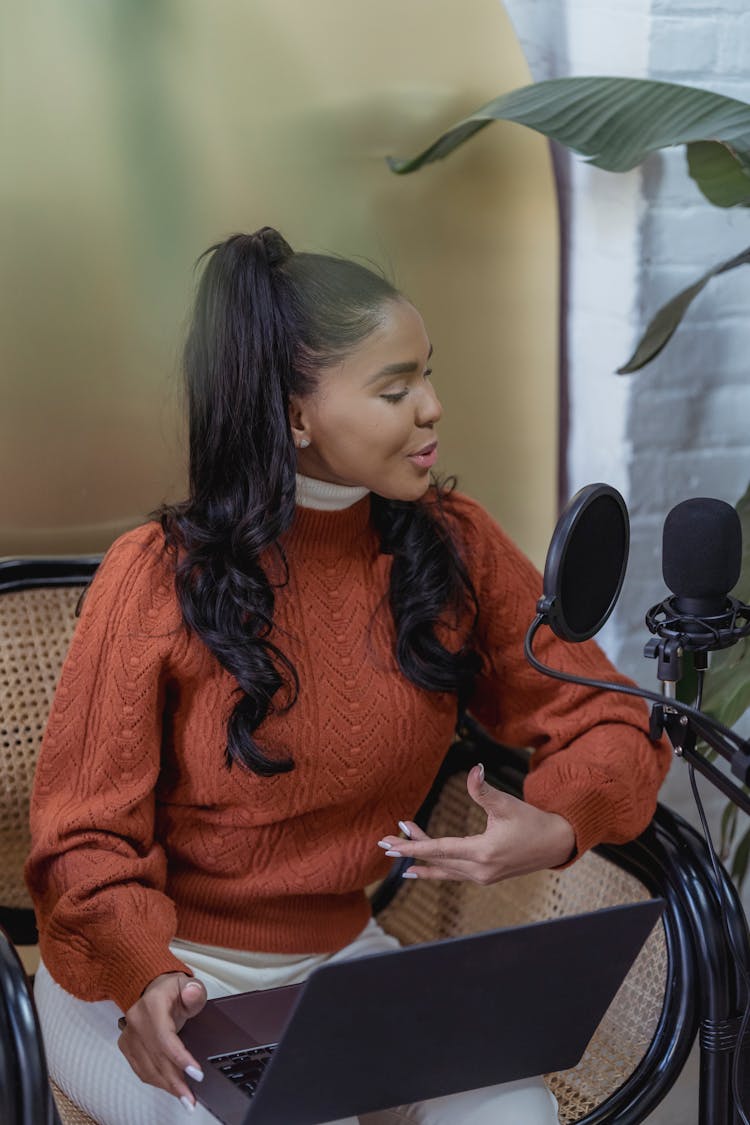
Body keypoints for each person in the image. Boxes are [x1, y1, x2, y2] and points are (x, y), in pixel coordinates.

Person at [26, 227, 671, 1125]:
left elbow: (607, 713)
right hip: (151, 983)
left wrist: (560, 822)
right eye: (395, 387)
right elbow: (81, 840)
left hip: (338, 969)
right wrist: (144, 974)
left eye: (429, 375)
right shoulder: (157, 576)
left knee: (514, 1110)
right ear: (296, 416)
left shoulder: (454, 545)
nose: (434, 407)